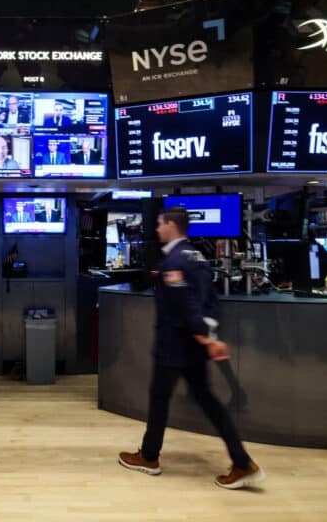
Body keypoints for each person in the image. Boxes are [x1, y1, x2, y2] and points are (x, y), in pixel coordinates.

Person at [118, 207, 264, 489]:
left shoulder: (173, 261)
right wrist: (209, 332)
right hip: (193, 347)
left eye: (160, 224)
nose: (157, 229)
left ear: (172, 225)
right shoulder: (197, 256)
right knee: (208, 401)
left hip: (174, 345)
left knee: (160, 399)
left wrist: (206, 337)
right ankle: (242, 461)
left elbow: (185, 307)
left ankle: (149, 458)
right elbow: (211, 301)